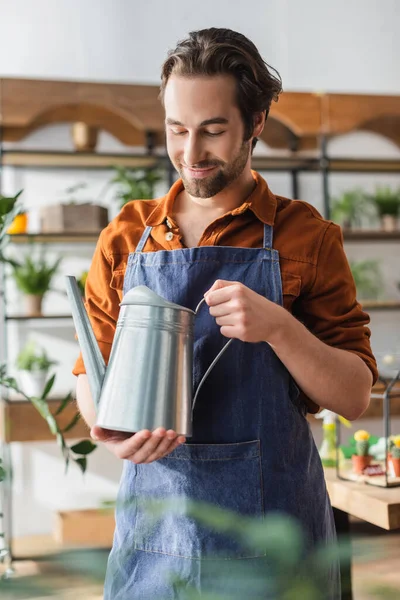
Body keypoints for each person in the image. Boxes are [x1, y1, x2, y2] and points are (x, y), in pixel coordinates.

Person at [73, 27, 377, 600]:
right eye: (177, 130)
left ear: (256, 121)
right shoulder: (127, 236)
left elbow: (355, 393)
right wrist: (112, 433)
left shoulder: (307, 236)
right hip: (154, 538)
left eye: (213, 130)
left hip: (277, 537)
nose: (191, 154)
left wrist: (281, 329)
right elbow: (92, 370)